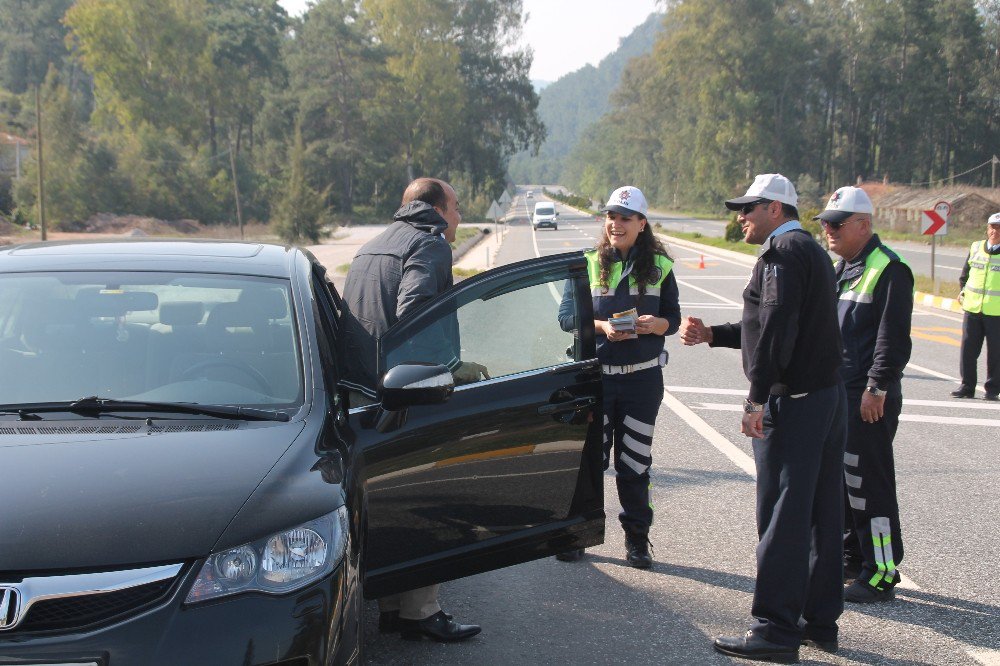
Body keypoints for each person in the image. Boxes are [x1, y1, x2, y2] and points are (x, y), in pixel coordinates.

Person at [680, 173, 846, 662]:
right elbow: (767, 324)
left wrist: (756, 397)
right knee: (820, 512)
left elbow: (775, 329)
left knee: (782, 515)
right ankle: (819, 619)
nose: (741, 217)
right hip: (824, 398)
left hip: (793, 403)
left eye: (749, 208)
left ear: (776, 209)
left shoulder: (781, 253)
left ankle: (774, 628)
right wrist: (714, 333)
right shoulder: (808, 250)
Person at [340, 177, 483, 642]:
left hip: (364, 395)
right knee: (426, 498)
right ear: (437, 209)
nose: (459, 216)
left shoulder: (370, 248)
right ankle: (421, 613)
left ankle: (393, 607)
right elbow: (415, 312)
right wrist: (451, 369)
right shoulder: (431, 245)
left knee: (390, 502)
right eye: (456, 207)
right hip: (409, 393)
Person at [555, 185, 681, 568]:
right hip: (598, 379)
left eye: (625, 218)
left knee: (635, 463)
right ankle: (577, 535)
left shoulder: (662, 267)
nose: (616, 224)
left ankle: (637, 540)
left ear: (642, 224)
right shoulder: (587, 262)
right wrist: (603, 328)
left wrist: (656, 324)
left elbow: (672, 320)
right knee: (591, 462)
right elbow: (566, 319)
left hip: (642, 382)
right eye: (611, 216)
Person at [817, 186, 913, 604]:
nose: (828, 230)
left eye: (836, 224)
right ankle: (854, 557)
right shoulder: (844, 268)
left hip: (868, 396)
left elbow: (892, 339)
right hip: (841, 394)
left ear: (863, 225)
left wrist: (877, 387)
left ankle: (883, 570)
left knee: (869, 484)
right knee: (845, 482)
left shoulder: (888, 268)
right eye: (824, 223)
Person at [952, 212, 1000, 401]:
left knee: (996, 353)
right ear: (987, 229)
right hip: (972, 309)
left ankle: (992, 389)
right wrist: (963, 291)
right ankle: (967, 387)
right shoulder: (976, 248)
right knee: (968, 350)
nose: (995, 231)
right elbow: (965, 275)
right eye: (992, 227)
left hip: (996, 313)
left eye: (999, 228)